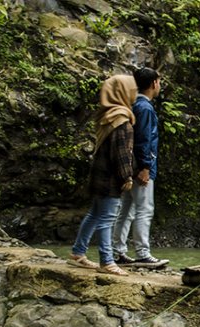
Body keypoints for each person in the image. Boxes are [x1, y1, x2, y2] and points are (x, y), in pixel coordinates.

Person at [68, 74, 136, 276]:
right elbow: (122, 153)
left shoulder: (106, 115)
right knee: (107, 218)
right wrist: (127, 176)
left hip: (98, 174)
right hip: (110, 178)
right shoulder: (121, 120)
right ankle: (107, 261)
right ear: (123, 92)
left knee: (94, 214)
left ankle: (78, 252)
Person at [112, 67, 169, 268]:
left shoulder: (133, 104)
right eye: (159, 81)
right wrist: (145, 167)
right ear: (154, 83)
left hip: (130, 166)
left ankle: (117, 251)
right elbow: (143, 140)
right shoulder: (145, 108)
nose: (159, 85)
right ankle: (143, 253)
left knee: (126, 209)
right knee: (144, 209)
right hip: (141, 168)